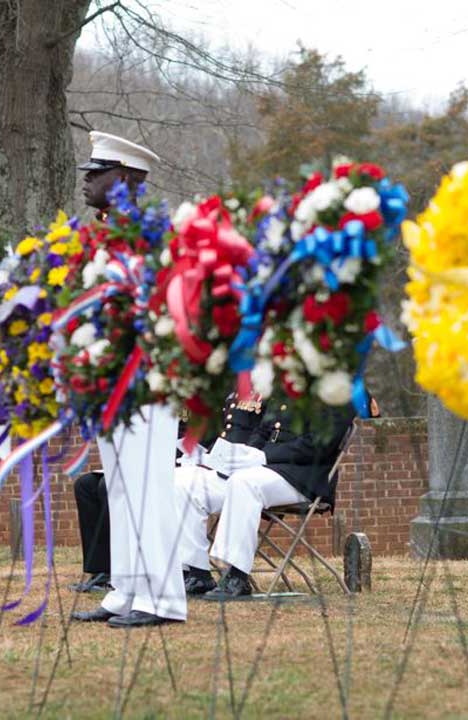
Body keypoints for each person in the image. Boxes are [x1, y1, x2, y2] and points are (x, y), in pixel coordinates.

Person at [69, 130, 157, 595]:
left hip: (137, 379)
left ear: (122, 179)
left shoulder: (140, 233)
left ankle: (145, 590)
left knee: (134, 488)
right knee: (115, 486)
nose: (86, 181)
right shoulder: (101, 232)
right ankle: (123, 586)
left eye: (97, 173)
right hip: (105, 375)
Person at [173, 399, 354, 600]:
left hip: (302, 476)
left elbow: (319, 446)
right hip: (261, 469)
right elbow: (262, 431)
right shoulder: (287, 389)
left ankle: (236, 575)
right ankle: (196, 572)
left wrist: (264, 456)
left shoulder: (338, 394)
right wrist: (243, 455)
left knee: (245, 483)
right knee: (183, 481)